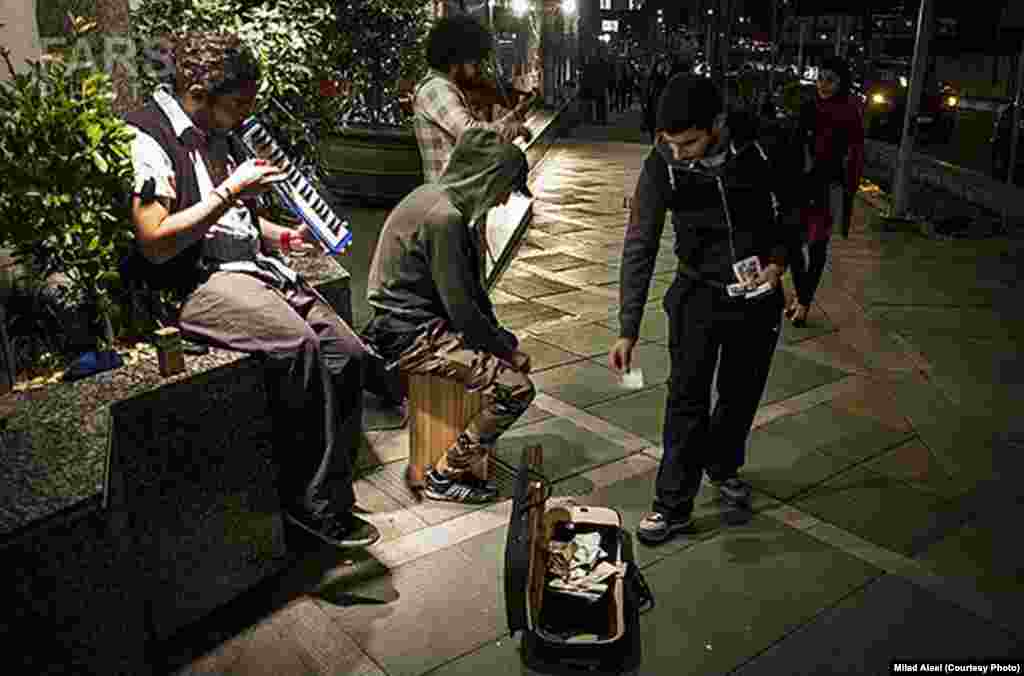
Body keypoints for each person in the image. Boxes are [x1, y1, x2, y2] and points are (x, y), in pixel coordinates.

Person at [123, 32, 379, 548]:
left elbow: (227, 218)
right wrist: (232, 189)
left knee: (348, 354)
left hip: (254, 267)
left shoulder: (219, 132)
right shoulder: (148, 137)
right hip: (194, 281)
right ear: (198, 91)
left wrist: (277, 234)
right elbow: (155, 240)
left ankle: (330, 492)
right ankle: (304, 503)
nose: (243, 116)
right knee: (298, 346)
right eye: (237, 103)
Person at [608, 75, 789, 545]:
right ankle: (673, 505)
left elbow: (793, 210)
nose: (679, 151)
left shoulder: (762, 148)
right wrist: (627, 327)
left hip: (757, 297)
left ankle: (724, 468)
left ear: (718, 125)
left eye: (688, 142)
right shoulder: (663, 163)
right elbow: (640, 242)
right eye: (670, 142)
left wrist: (778, 263)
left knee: (740, 393)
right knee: (685, 398)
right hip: (697, 294)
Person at [362, 128, 536, 504]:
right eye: (505, 187)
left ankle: (456, 462)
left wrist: (502, 340)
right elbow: (464, 312)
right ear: (487, 179)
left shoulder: (433, 198)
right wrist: (506, 352)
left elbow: (471, 296)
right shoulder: (445, 218)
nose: (505, 199)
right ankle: (443, 476)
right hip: (410, 336)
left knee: (504, 360)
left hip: (408, 324)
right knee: (517, 390)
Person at [785, 56, 864, 327]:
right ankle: (800, 294)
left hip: (828, 188)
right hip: (800, 185)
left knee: (817, 247)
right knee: (793, 244)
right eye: (820, 78)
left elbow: (855, 154)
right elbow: (794, 144)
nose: (823, 84)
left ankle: (804, 303)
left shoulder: (850, 112)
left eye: (830, 80)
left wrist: (848, 192)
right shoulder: (808, 107)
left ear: (842, 82)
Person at [412, 15, 533, 184]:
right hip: (448, 198)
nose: (479, 69)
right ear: (456, 59)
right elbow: (473, 135)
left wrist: (515, 115)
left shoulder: (448, 87)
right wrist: (514, 130)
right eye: (475, 62)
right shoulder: (437, 89)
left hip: (459, 196)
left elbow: (476, 131)